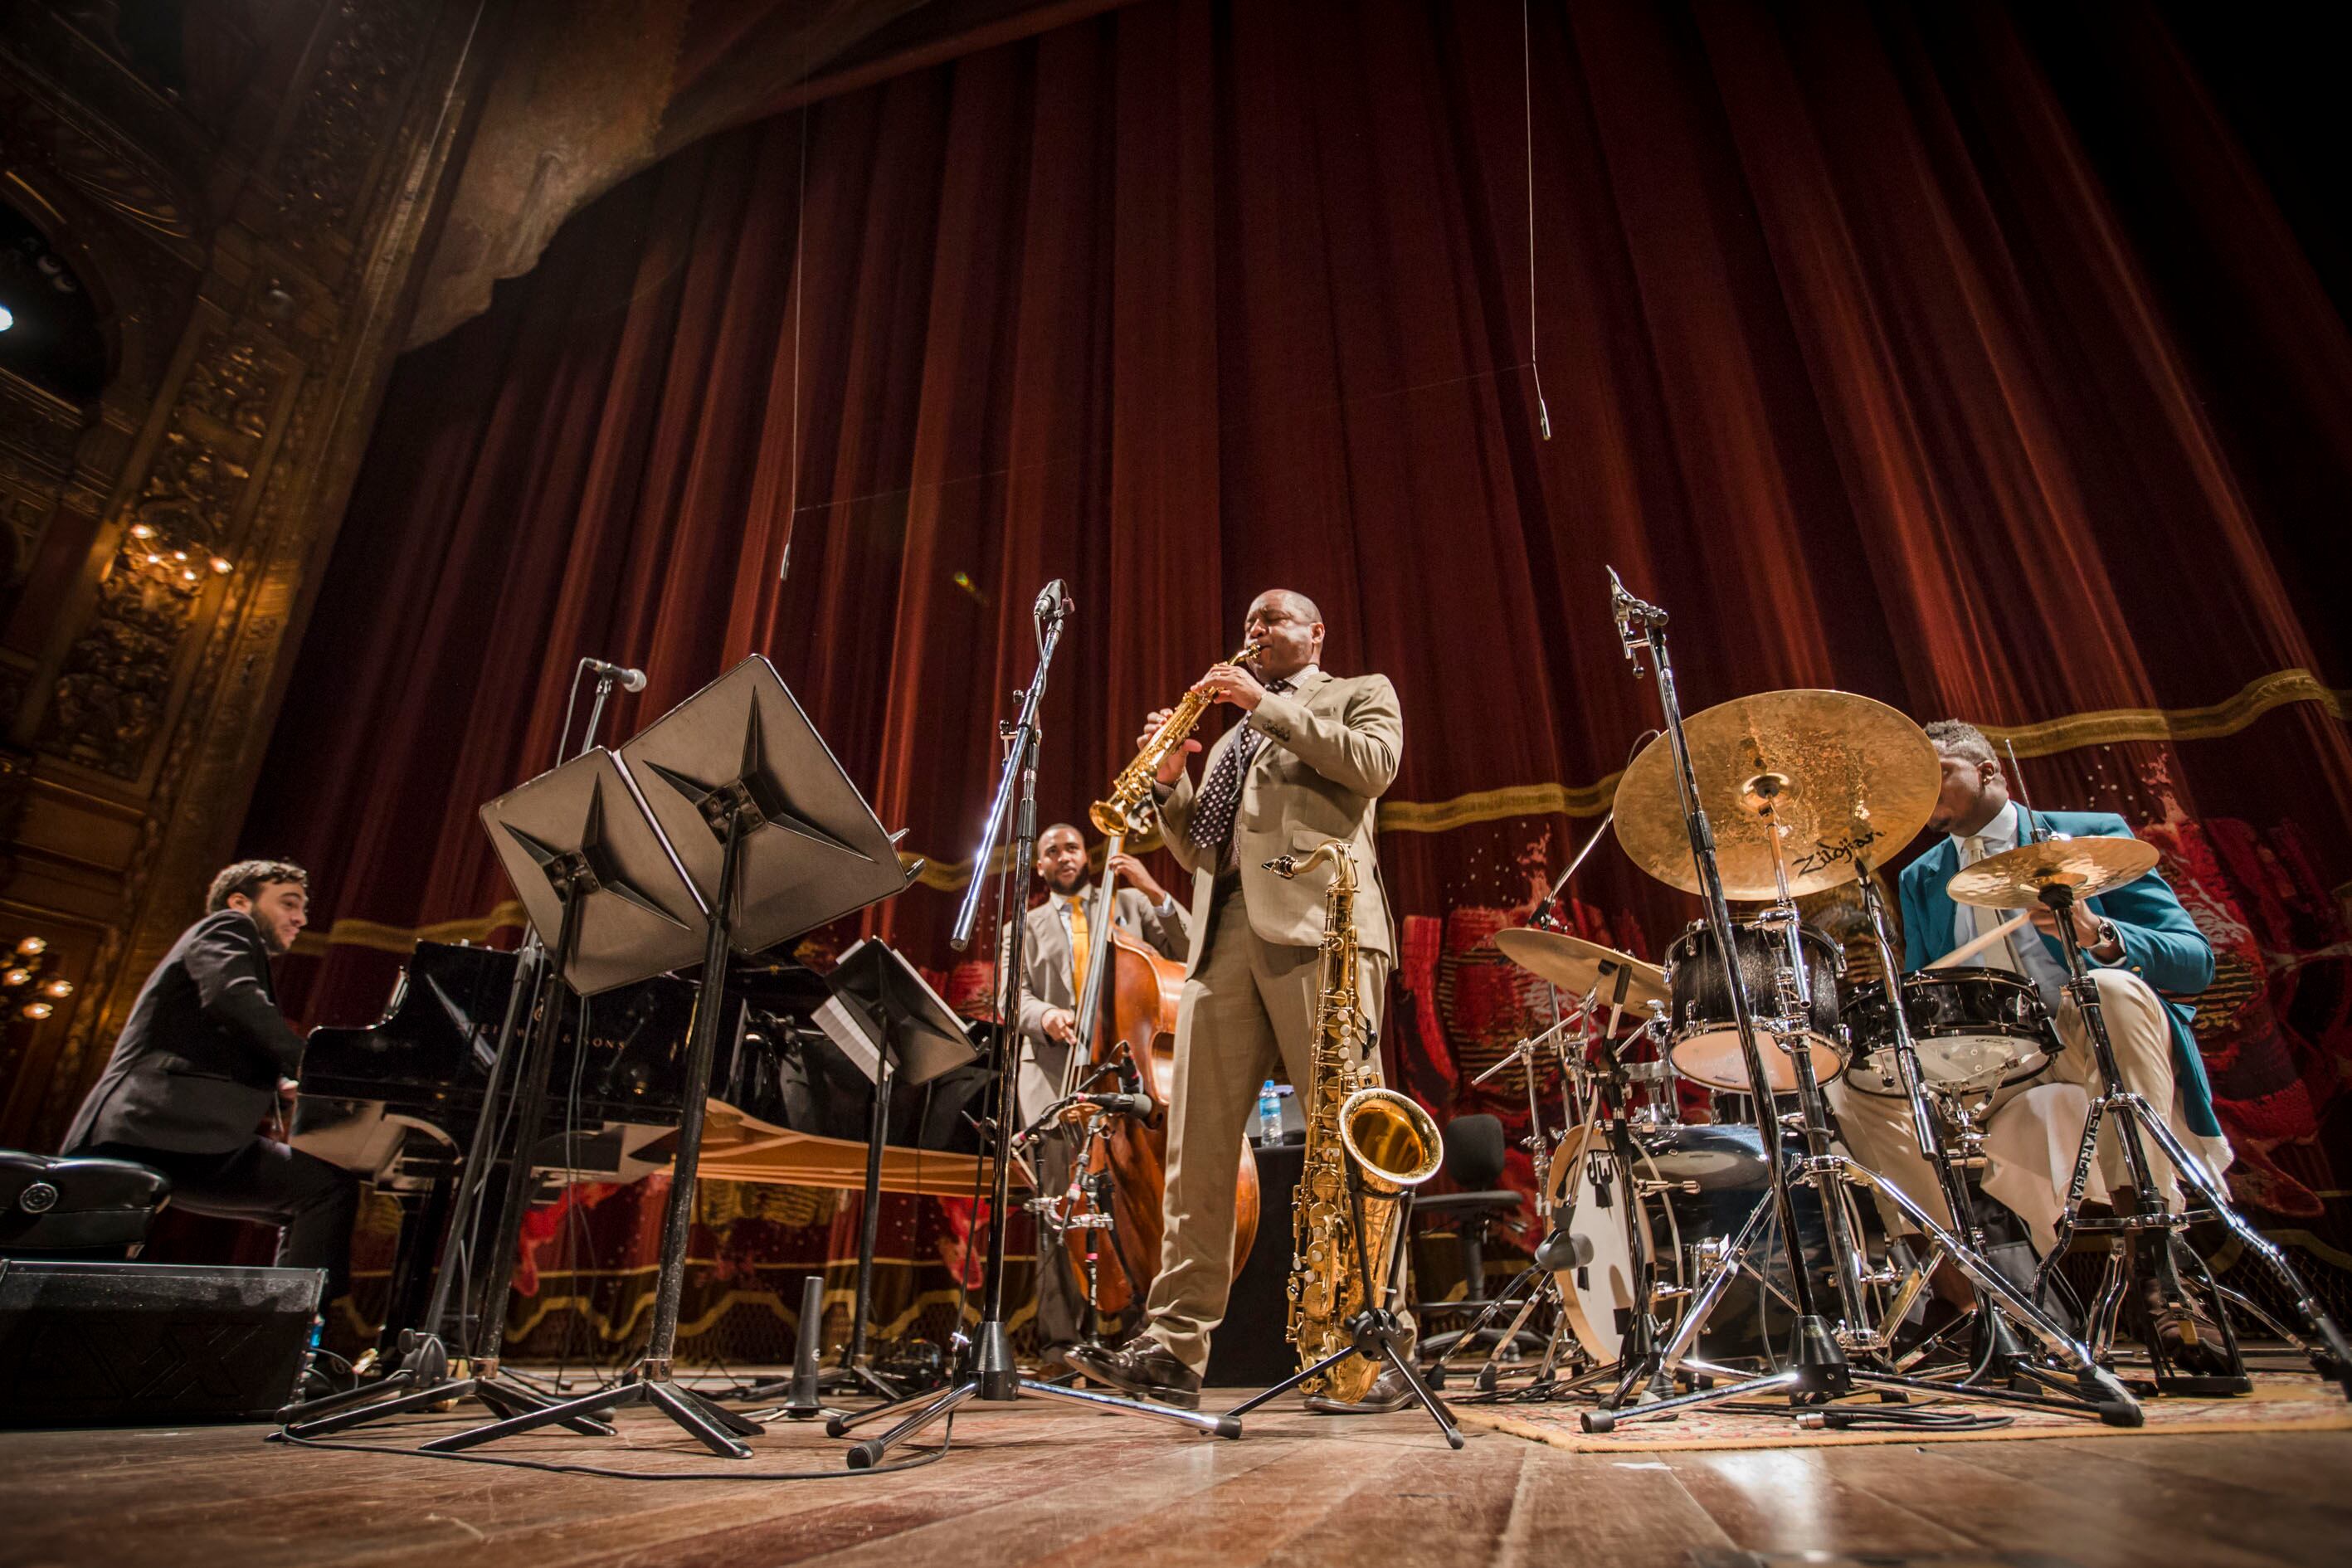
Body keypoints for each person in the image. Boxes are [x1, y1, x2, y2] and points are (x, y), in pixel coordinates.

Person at [1069, 589, 1409, 1412]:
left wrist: (1268, 709)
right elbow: (1198, 847)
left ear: (1317, 632)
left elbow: (1373, 767)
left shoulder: (1360, 692)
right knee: (1196, 1150)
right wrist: (1177, 783)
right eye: (1251, 622)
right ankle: (1175, 1346)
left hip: (1322, 936)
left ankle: (1369, 1338)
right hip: (1221, 948)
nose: (1257, 631)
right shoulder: (1227, 740)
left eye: (1276, 619)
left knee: (1348, 1136)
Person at [1828, 720, 2233, 1370]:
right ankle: (1977, 1299)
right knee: (1851, 1085)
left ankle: (2156, 1265)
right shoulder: (1922, 877)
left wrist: (2097, 931)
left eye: (1939, 773)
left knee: (2103, 990)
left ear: (1989, 771)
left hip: (2088, 1039)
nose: (1922, 791)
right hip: (1996, 1065)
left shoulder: (2089, 836)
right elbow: (1936, 993)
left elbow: (2193, 962)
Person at [63, 860, 357, 1303]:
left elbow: (212, 1031)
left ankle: (286, 1336)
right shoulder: (228, 926)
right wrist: (310, 1067)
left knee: (317, 1193)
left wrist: (279, 1081)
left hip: (157, 1131)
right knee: (325, 1191)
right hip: (155, 1128)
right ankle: (292, 1342)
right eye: (289, 904)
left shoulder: (228, 942)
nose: (301, 918)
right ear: (241, 901)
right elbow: (233, 998)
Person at [1007, 822, 1189, 1368]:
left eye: (1071, 847)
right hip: (1057, 1080)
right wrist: (1047, 1015)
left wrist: (1153, 889)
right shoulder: (1026, 924)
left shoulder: (1129, 905)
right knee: (1058, 1211)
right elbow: (1010, 996)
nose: (1063, 856)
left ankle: (1149, 1335)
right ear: (1039, 867)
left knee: (1142, 1204)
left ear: (1086, 856)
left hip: (1129, 1078)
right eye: (1051, 851)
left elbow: (1187, 947)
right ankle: (1060, 1344)